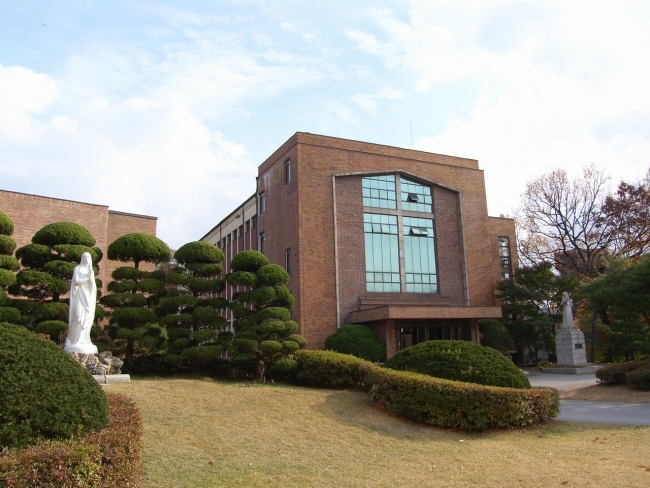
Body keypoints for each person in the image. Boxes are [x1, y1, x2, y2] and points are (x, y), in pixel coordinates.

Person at [64, 252, 98, 354]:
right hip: (79, 296)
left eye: (88, 257)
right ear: (82, 258)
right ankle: (73, 340)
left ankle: (83, 340)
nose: (86, 259)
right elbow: (76, 281)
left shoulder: (91, 271)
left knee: (86, 318)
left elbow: (93, 287)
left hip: (87, 298)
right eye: (84, 257)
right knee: (78, 316)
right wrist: (87, 278)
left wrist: (91, 279)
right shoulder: (77, 269)